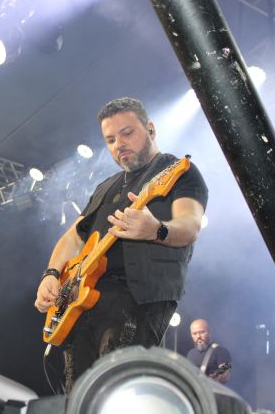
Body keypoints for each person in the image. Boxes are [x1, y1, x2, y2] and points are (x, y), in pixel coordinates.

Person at [34, 97, 208, 392]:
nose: (119, 144)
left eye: (127, 133)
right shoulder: (106, 187)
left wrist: (156, 230)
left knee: (115, 389)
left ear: (150, 129)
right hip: (83, 301)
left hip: (139, 298)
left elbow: (190, 226)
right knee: (79, 394)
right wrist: (51, 275)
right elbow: (73, 237)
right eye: (111, 139)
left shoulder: (177, 171)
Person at [186, 318, 232, 383]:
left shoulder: (221, 351)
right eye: (194, 333)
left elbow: (226, 371)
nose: (198, 336)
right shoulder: (190, 354)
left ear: (209, 332)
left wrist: (215, 376)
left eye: (202, 332)